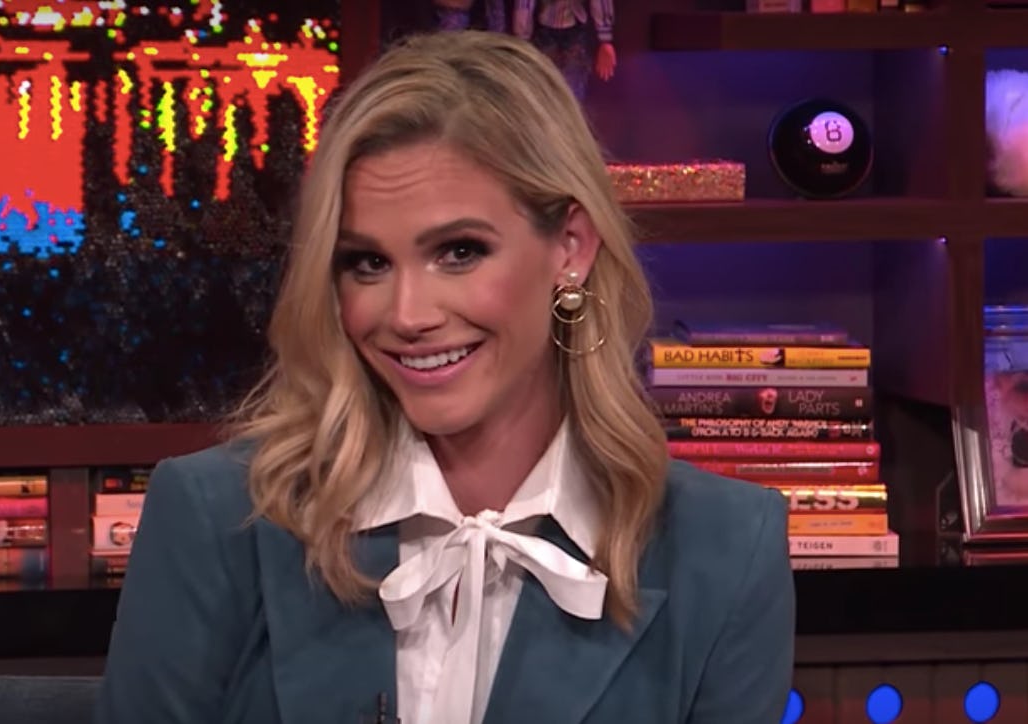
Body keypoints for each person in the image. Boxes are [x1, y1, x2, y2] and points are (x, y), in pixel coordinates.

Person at [94, 30, 794, 724]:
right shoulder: (217, 518)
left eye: (459, 252)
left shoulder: (725, 551)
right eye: (367, 263)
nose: (406, 315)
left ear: (570, 248)